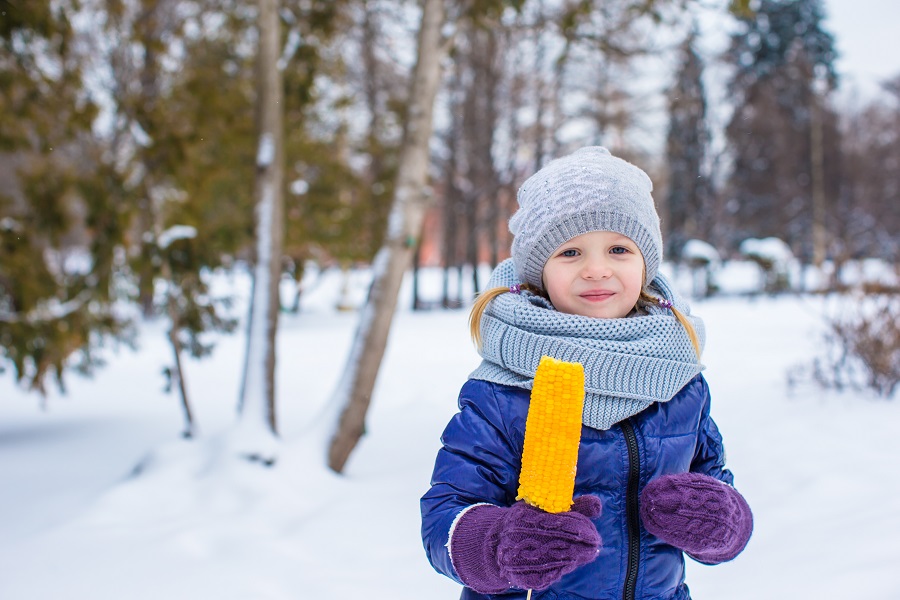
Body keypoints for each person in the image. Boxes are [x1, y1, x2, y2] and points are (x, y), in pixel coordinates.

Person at [420, 146, 752, 600]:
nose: (597, 269)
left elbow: (716, 483)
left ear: (645, 263)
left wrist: (721, 523)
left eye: (619, 248)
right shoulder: (503, 390)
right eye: (571, 251)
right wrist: (499, 545)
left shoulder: (678, 379)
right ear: (539, 273)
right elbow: (444, 518)